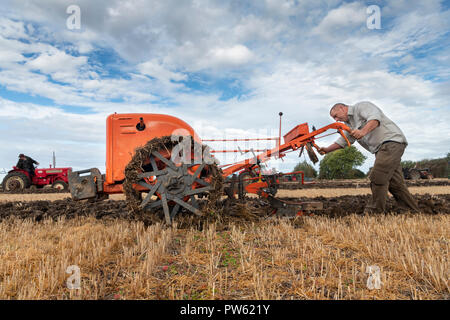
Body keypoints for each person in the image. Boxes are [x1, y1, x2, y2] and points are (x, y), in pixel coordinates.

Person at [318, 101, 420, 213]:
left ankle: (373, 212)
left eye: (336, 116)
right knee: (395, 183)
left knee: (377, 177)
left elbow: (375, 119)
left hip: (391, 142)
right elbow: (343, 141)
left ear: (342, 108)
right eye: (334, 119)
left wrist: (362, 131)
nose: (336, 120)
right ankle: (411, 210)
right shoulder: (349, 125)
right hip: (381, 149)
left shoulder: (361, 107)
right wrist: (327, 150)